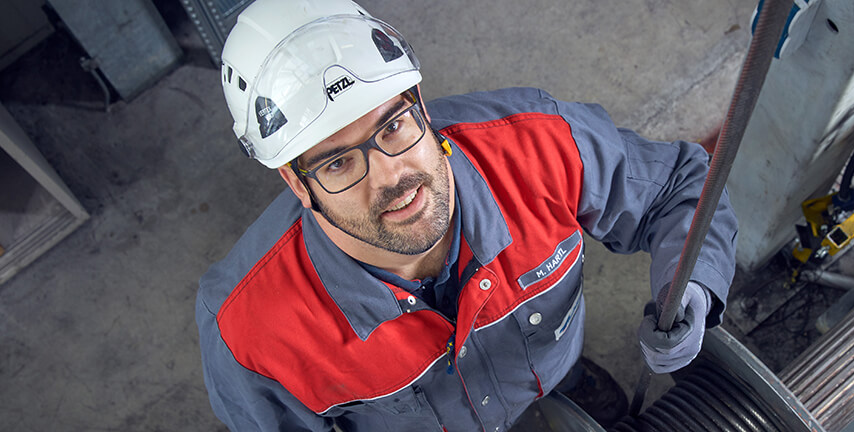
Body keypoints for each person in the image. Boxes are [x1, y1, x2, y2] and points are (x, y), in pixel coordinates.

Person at [195, 0, 738, 430]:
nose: (391, 176)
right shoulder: (249, 333)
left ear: (421, 106)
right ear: (297, 183)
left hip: (550, 370)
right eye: (339, 163)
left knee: (567, 384)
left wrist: (688, 283)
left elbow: (677, 184)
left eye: (392, 127)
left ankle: (568, 381)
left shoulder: (539, 147)